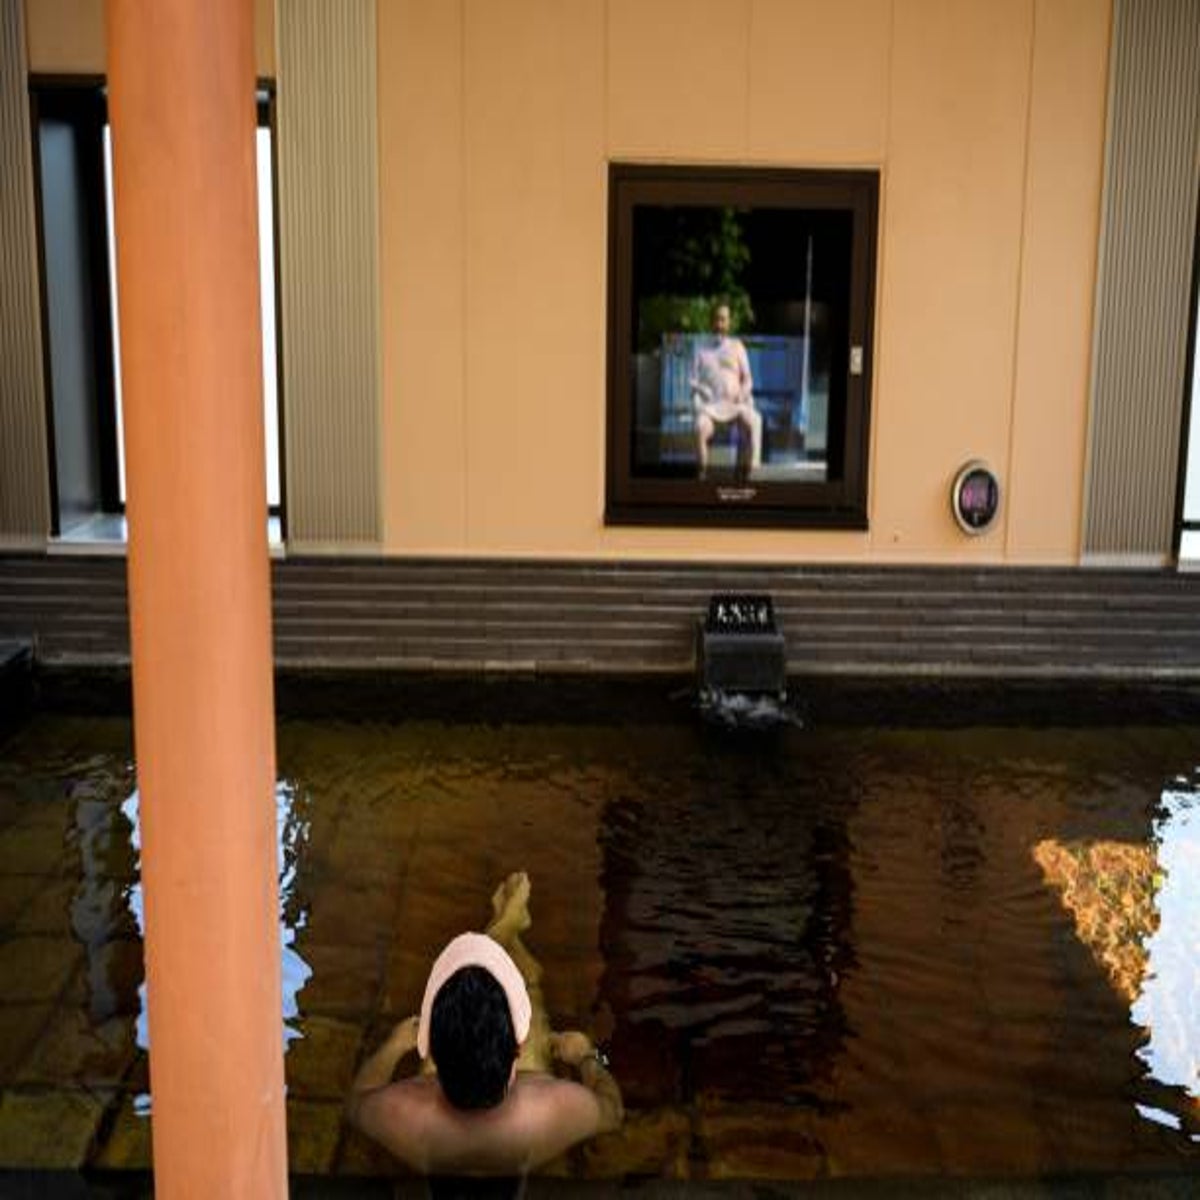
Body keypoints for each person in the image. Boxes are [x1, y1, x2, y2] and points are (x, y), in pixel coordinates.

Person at [345, 872, 623, 1181]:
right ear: (516, 1050)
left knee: (471, 1013)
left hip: (429, 1135)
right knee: (525, 995)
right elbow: (614, 1110)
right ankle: (507, 932)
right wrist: (588, 1056)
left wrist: (394, 1046)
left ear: (433, 1053)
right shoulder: (556, 1106)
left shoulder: (400, 1113)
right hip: (527, 1133)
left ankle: (503, 929)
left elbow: (356, 1101)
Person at [691, 302, 763, 479]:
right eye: (716, 319)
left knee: (754, 421)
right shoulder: (701, 350)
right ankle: (702, 475)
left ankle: (748, 475)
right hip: (711, 407)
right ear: (711, 322)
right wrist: (701, 389)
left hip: (735, 405)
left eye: (723, 319)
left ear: (729, 322)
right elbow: (692, 380)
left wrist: (742, 394)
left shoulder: (737, 346)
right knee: (700, 427)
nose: (719, 324)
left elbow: (748, 379)